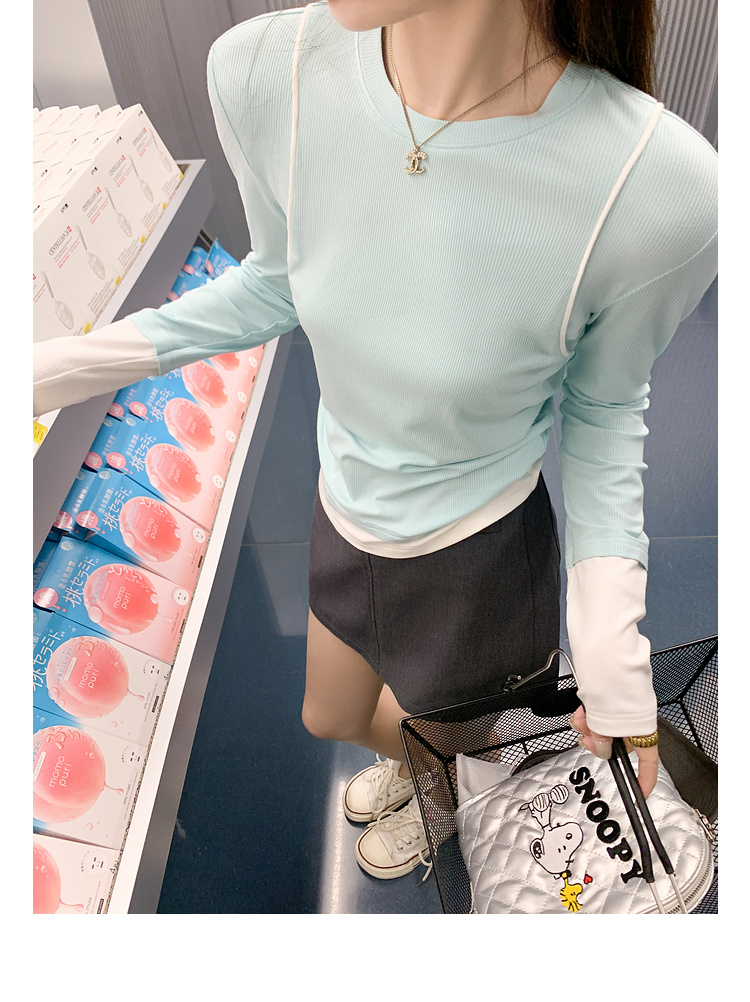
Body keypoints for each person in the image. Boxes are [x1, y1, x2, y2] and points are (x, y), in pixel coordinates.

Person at [34, 0, 718, 883]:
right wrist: (58, 366)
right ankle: (432, 770)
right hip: (345, 507)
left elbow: (604, 410)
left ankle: (444, 795)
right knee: (330, 715)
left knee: (465, 756)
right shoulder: (266, 69)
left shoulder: (655, 184)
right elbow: (278, 281)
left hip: (478, 559)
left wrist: (612, 662)